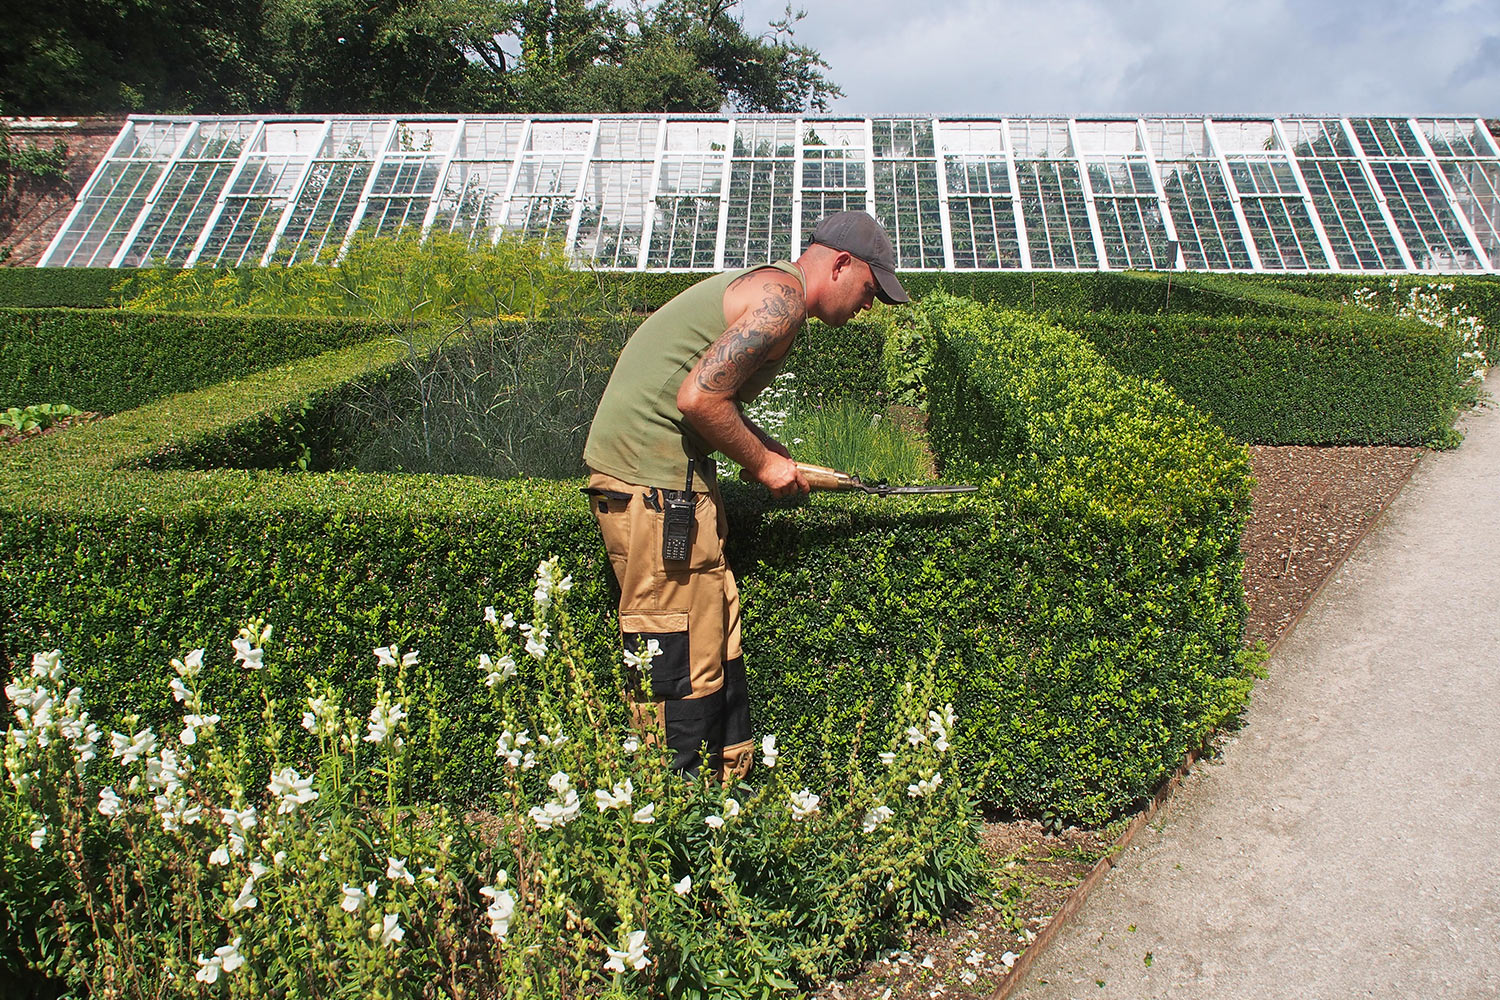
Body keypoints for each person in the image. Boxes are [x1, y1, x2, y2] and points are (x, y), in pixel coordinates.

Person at [582, 210, 909, 779]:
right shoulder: (780, 302)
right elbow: (698, 400)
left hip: (667, 482)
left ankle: (722, 794)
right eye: (870, 289)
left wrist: (769, 447)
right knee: (678, 653)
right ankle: (669, 807)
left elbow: (714, 399)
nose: (869, 305)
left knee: (715, 633)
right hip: (653, 486)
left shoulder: (774, 288)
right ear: (841, 264)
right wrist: (763, 467)